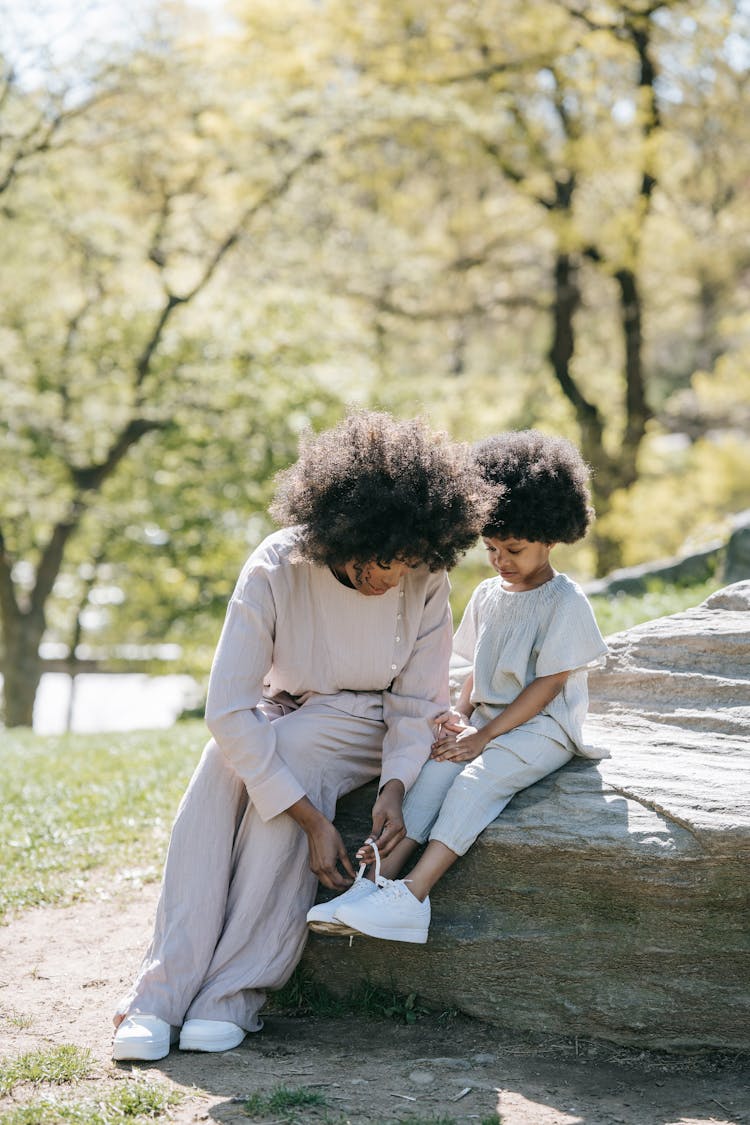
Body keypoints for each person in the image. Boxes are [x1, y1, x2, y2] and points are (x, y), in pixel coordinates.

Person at [111, 410, 488, 1061]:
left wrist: (396, 783)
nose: (392, 577)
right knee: (221, 763)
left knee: (289, 755)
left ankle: (232, 991)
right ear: (345, 528)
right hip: (286, 707)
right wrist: (314, 821)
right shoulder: (277, 565)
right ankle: (160, 993)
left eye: (405, 562)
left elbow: (416, 700)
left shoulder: (425, 575)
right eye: (381, 559)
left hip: (373, 720)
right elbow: (229, 709)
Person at [308, 429, 608, 944]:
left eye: (514, 548)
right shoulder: (490, 594)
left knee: (475, 781)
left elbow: (548, 685)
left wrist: (483, 740)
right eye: (491, 547)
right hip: (489, 721)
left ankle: (413, 897)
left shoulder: (565, 600)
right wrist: (461, 716)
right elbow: (478, 667)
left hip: (543, 727)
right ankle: (374, 882)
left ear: (552, 536)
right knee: (435, 774)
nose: (500, 559)